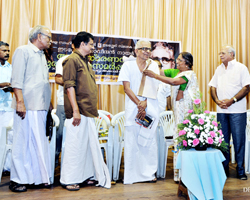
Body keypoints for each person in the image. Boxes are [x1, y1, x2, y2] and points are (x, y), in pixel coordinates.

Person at [60, 31, 111, 191]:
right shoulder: (71, 60)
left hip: (87, 112)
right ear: (82, 44)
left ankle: (84, 176)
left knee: (86, 147)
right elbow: (69, 86)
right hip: (78, 112)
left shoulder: (85, 61)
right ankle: (69, 179)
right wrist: (75, 110)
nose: (93, 47)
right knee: (75, 146)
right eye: (91, 44)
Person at [144, 52, 200, 182]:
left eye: (180, 60)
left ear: (187, 63)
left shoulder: (189, 74)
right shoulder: (179, 73)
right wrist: (151, 66)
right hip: (179, 114)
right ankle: (179, 174)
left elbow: (174, 82)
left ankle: (185, 174)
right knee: (178, 140)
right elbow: (165, 75)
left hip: (186, 115)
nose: (177, 62)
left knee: (183, 139)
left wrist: (155, 76)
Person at [9, 25, 53, 192]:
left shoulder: (41, 55)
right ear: (38, 36)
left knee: (38, 143)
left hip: (40, 106)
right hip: (26, 106)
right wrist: (20, 101)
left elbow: (40, 82)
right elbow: (17, 79)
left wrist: (48, 102)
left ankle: (37, 178)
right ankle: (17, 179)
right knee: (23, 142)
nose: (50, 40)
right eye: (48, 37)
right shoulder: (23, 51)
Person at [118, 39, 160, 184]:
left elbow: (157, 88)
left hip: (150, 108)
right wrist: (139, 105)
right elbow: (126, 88)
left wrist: (145, 103)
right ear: (136, 51)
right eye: (143, 48)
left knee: (148, 143)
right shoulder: (127, 66)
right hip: (133, 109)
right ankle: (131, 176)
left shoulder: (153, 65)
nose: (146, 51)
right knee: (132, 143)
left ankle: (148, 174)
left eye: (148, 49)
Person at [208, 46, 250, 180]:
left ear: (231, 54)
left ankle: (240, 170)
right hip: (222, 111)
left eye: (223, 53)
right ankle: (224, 169)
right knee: (223, 141)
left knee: (239, 141)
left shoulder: (241, 68)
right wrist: (217, 101)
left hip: (237, 111)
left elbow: (246, 88)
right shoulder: (219, 69)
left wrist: (232, 101)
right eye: (219, 53)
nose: (220, 55)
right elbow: (212, 87)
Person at [54, 40, 74, 168]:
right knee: (60, 134)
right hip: (63, 102)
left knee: (75, 135)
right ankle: (54, 160)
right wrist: (73, 84)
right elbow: (57, 78)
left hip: (79, 104)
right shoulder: (64, 60)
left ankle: (71, 163)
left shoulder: (87, 62)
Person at [0, 41, 13, 176]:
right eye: (4, 51)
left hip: (8, 107)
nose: (7, 53)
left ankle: (6, 167)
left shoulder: (11, 67)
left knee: (8, 137)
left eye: (8, 51)